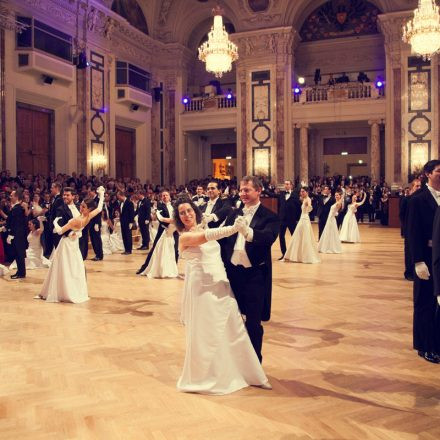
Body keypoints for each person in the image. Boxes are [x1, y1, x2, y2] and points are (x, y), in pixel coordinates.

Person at [174, 197, 271, 394]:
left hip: (221, 285)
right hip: (202, 289)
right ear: (178, 217)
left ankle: (250, 373)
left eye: (189, 210)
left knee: (234, 328)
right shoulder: (183, 237)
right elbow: (210, 236)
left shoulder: (202, 226)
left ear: (195, 211)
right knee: (207, 331)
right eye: (182, 213)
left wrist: (232, 217)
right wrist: (234, 228)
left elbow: (223, 213)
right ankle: (211, 375)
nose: (186, 215)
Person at [219, 176, 280, 363]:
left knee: (253, 322)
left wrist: (248, 232)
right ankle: (233, 361)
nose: (243, 193)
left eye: (247, 190)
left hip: (255, 275)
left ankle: (254, 364)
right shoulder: (234, 213)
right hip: (233, 274)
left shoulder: (270, 216)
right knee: (231, 320)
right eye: (241, 190)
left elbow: (267, 238)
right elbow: (223, 238)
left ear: (258, 191)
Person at [37, 186, 105, 303]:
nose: (81, 207)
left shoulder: (78, 218)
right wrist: (102, 194)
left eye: (83, 206)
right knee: (71, 267)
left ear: (73, 196)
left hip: (70, 243)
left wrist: (55, 223)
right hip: (71, 243)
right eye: (64, 195)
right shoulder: (86, 215)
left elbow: (60, 230)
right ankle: (70, 290)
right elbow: (99, 208)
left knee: (70, 267)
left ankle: (67, 291)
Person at [407, 160, 440, 363]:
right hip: (426, 259)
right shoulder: (418, 200)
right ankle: (424, 345)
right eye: (438, 171)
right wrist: (418, 261)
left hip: (439, 258)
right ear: (428, 174)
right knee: (425, 302)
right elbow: (413, 233)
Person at [136, 190, 178, 274]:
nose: (165, 197)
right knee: (154, 248)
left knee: (175, 249)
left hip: (174, 230)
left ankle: (174, 268)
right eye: (163, 196)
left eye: (166, 195)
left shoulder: (174, 205)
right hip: (163, 230)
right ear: (161, 197)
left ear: (169, 197)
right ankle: (144, 267)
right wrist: (169, 224)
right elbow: (160, 218)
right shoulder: (160, 206)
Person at [284, 187, 319, 264]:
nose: (301, 193)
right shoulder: (304, 199)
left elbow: (310, 208)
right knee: (299, 236)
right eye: (301, 191)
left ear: (307, 192)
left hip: (305, 219)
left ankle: (305, 256)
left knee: (305, 237)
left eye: (303, 191)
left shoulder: (308, 199)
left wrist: (308, 206)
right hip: (302, 219)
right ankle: (298, 255)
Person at [139, 209, 178, 279]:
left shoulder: (173, 220)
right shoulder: (179, 221)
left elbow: (161, 219)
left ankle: (161, 270)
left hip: (165, 238)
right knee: (169, 254)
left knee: (162, 253)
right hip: (170, 238)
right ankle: (167, 270)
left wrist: (157, 212)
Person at [400, 180, 421, 281]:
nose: (419, 188)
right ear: (412, 187)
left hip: (418, 230)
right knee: (409, 252)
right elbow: (402, 215)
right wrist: (405, 229)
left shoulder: (421, 200)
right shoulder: (406, 200)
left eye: (420, 186)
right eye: (417, 186)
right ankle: (409, 273)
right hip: (408, 230)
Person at [5, 190, 28, 279]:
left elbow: (16, 224)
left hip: (18, 236)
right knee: (17, 254)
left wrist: (11, 234)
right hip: (18, 235)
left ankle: (21, 273)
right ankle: (19, 271)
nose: (10, 197)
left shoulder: (17, 208)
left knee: (19, 254)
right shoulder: (17, 208)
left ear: (16, 197)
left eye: (12, 195)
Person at [277, 180, 301, 260]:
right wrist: (263, 190)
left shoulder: (295, 195)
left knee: (294, 236)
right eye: (285, 184)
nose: (286, 185)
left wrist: (297, 218)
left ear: (291, 185)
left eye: (287, 184)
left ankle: (295, 253)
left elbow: (298, 207)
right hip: (282, 219)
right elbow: (277, 203)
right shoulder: (282, 194)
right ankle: (284, 254)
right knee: (281, 236)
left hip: (291, 220)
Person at [88, 187, 104, 261]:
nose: (89, 193)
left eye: (89, 191)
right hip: (91, 222)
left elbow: (98, 212)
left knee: (97, 239)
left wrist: (97, 223)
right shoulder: (92, 200)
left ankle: (99, 255)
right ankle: (96, 254)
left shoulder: (98, 199)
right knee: (93, 239)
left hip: (95, 222)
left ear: (93, 191)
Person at [117, 190, 134, 255]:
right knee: (124, 236)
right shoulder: (121, 203)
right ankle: (126, 249)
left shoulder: (129, 202)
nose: (118, 198)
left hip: (128, 222)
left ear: (122, 195)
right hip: (123, 222)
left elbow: (131, 213)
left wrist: (131, 222)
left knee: (128, 236)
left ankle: (129, 250)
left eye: (118, 196)